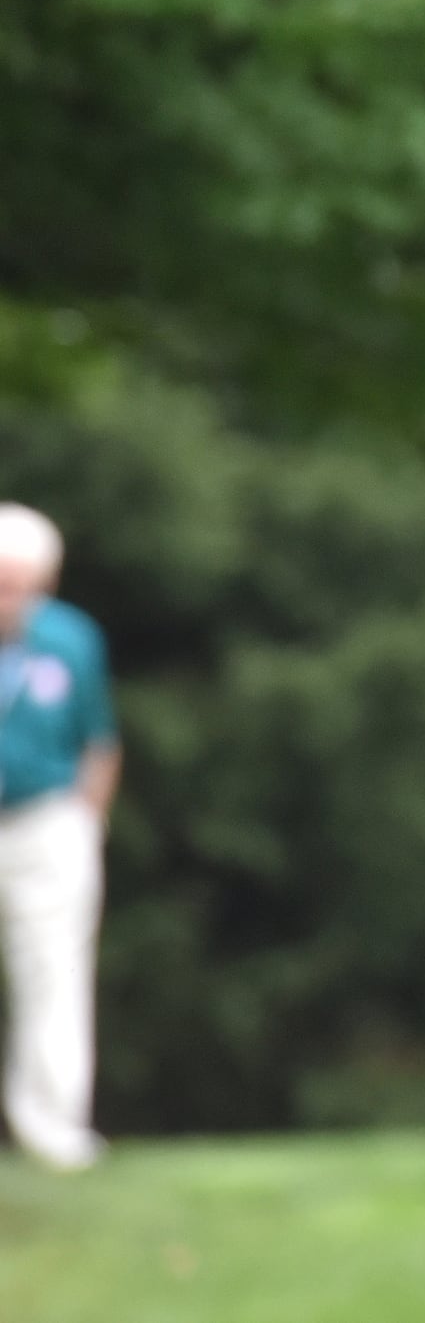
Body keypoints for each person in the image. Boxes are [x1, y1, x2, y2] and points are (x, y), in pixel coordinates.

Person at [0, 502, 118, 1172]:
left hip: (45, 821)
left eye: (17, 583)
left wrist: (86, 824)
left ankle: (52, 1130)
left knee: (53, 973)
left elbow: (99, 742)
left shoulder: (72, 640)